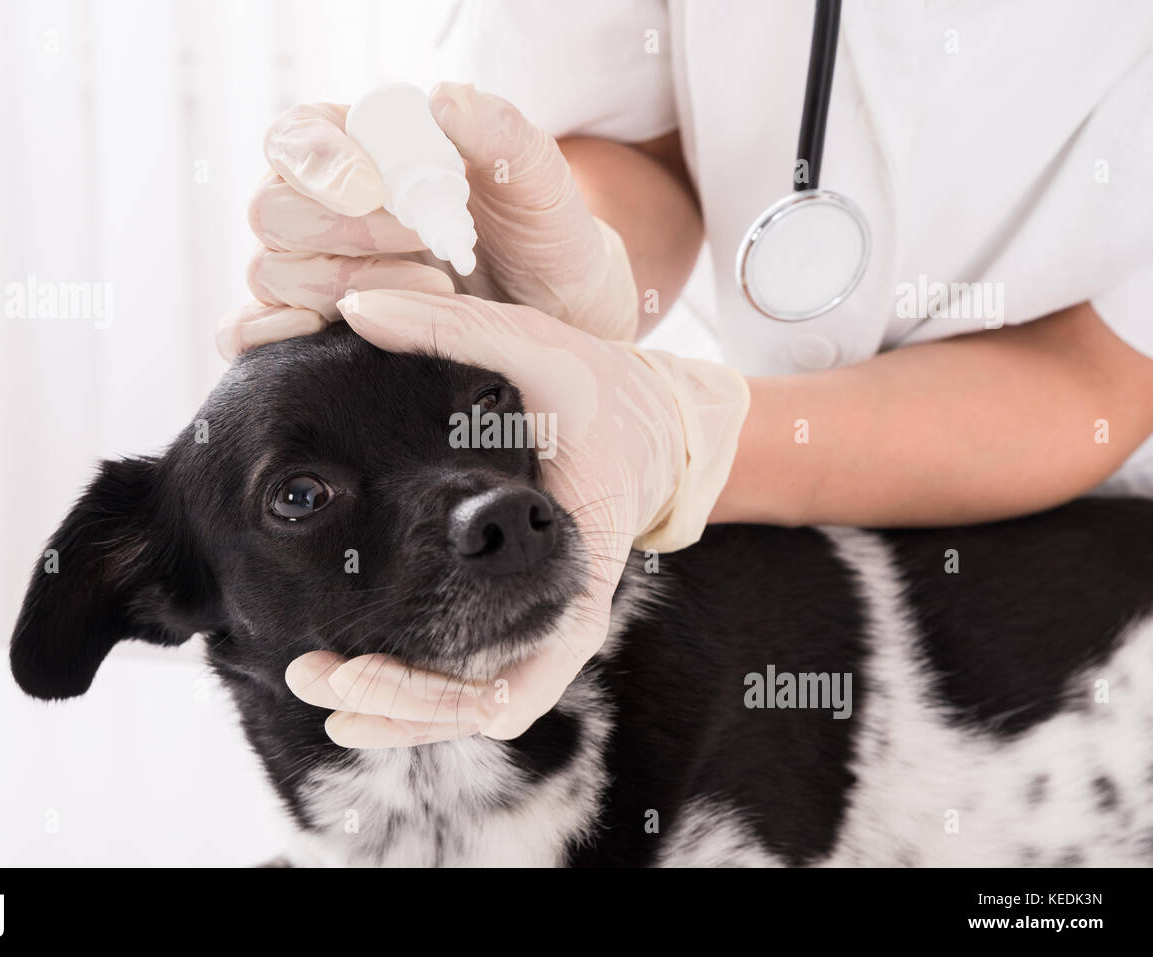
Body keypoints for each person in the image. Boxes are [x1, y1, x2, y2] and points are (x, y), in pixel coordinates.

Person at [217, 1, 1153, 748]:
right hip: (781, 573)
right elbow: (637, 140)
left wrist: (687, 438)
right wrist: (552, 253)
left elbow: (1095, 373)